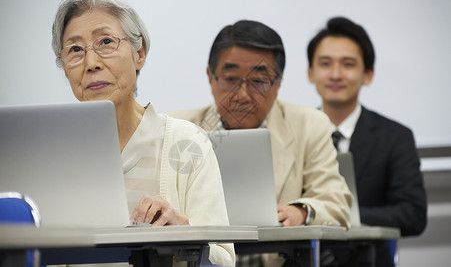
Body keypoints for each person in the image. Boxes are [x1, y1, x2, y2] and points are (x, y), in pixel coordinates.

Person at [51, 0, 234, 267]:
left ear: (140, 53)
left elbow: (224, 260)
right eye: (75, 49)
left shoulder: (186, 143)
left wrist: (185, 236)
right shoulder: (51, 155)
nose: (91, 63)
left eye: (106, 42)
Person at [169, 20, 352, 267]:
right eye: (230, 78)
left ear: (278, 85)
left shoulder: (309, 125)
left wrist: (301, 212)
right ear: (210, 78)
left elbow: (336, 203)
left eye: (258, 81)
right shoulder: (178, 128)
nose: (242, 95)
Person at [307, 16, 427, 267]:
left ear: (368, 74)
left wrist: (338, 215)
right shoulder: (296, 134)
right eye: (325, 64)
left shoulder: (395, 136)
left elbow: (413, 214)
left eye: (348, 64)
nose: (336, 74)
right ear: (310, 73)